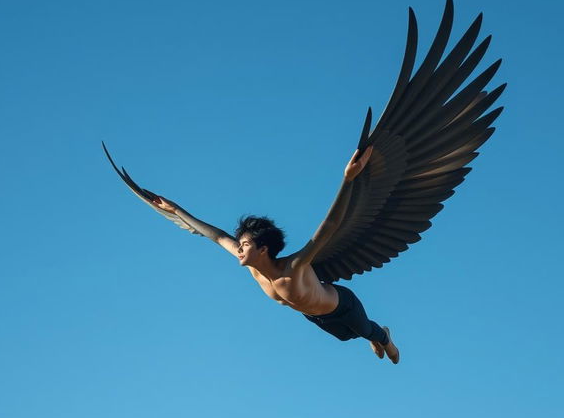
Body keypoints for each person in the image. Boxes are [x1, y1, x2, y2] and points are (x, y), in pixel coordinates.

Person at [150, 146, 399, 362]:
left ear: (263, 249)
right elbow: (215, 234)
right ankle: (373, 337)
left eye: (245, 244)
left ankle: (384, 337)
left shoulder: (295, 267)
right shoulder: (251, 265)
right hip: (315, 316)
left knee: (366, 330)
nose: (239, 248)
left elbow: (330, 226)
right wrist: (175, 209)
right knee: (346, 337)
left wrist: (348, 180)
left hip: (343, 306)